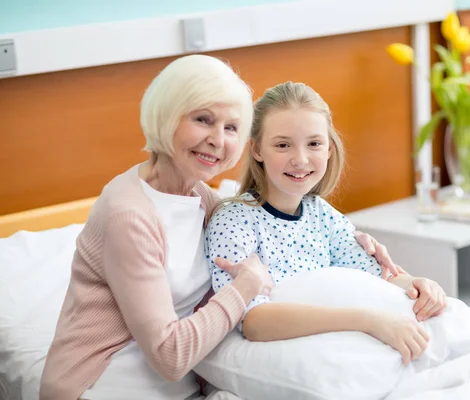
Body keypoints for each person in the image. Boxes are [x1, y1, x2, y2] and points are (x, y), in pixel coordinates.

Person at [40, 56, 399, 400]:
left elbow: (260, 251)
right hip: (104, 385)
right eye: (202, 119)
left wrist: (361, 254)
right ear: (165, 116)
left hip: (188, 384)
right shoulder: (129, 216)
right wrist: (244, 288)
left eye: (230, 128)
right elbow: (170, 356)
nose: (218, 140)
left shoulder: (199, 195)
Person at [207, 81, 448, 365]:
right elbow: (253, 321)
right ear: (257, 150)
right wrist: (368, 321)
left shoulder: (321, 214)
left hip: (341, 343)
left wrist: (418, 285)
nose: (300, 159)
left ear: (329, 149)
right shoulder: (234, 221)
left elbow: (374, 276)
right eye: (283, 145)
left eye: (314, 144)